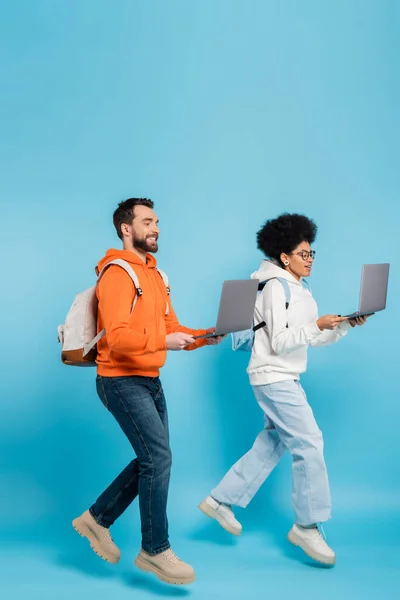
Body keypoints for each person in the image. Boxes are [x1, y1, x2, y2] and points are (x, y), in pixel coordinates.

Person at [199, 213, 368, 566]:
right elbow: (280, 340)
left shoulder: (299, 287)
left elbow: (309, 339)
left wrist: (341, 327)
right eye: (303, 253)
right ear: (284, 256)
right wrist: (316, 326)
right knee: (309, 443)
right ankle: (306, 525)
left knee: (273, 442)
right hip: (273, 375)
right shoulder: (276, 286)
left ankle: (220, 501)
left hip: (283, 374)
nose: (309, 259)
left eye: (312, 253)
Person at [73, 197, 223, 585]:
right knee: (158, 458)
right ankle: (154, 550)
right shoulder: (117, 274)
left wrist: (208, 335)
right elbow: (119, 338)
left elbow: (173, 327)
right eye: (147, 221)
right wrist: (164, 341)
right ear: (127, 229)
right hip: (119, 380)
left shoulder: (156, 275)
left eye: (157, 221)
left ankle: (96, 518)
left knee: (154, 460)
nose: (156, 227)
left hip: (149, 379)